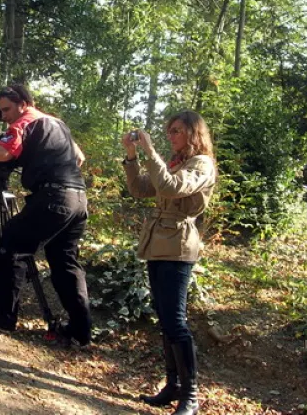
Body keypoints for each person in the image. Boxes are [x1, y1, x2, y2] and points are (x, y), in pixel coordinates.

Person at [0, 83, 92, 346]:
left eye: (7, 109)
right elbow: (79, 157)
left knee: (13, 241)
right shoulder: (57, 122)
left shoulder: (25, 121)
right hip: (77, 199)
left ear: (23, 103)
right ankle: (81, 330)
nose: (4, 115)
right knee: (64, 262)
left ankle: (2, 316)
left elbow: (3, 153)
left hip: (53, 197)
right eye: (0, 111)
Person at [121, 111, 216, 415]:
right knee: (163, 316)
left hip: (178, 245)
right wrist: (132, 155)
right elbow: (140, 189)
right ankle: (173, 385)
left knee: (175, 319)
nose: (170, 135)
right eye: (169, 131)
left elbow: (172, 188)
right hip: (158, 242)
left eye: (176, 131)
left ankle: (191, 395)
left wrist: (150, 152)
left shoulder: (201, 164)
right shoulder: (175, 163)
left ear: (193, 133)